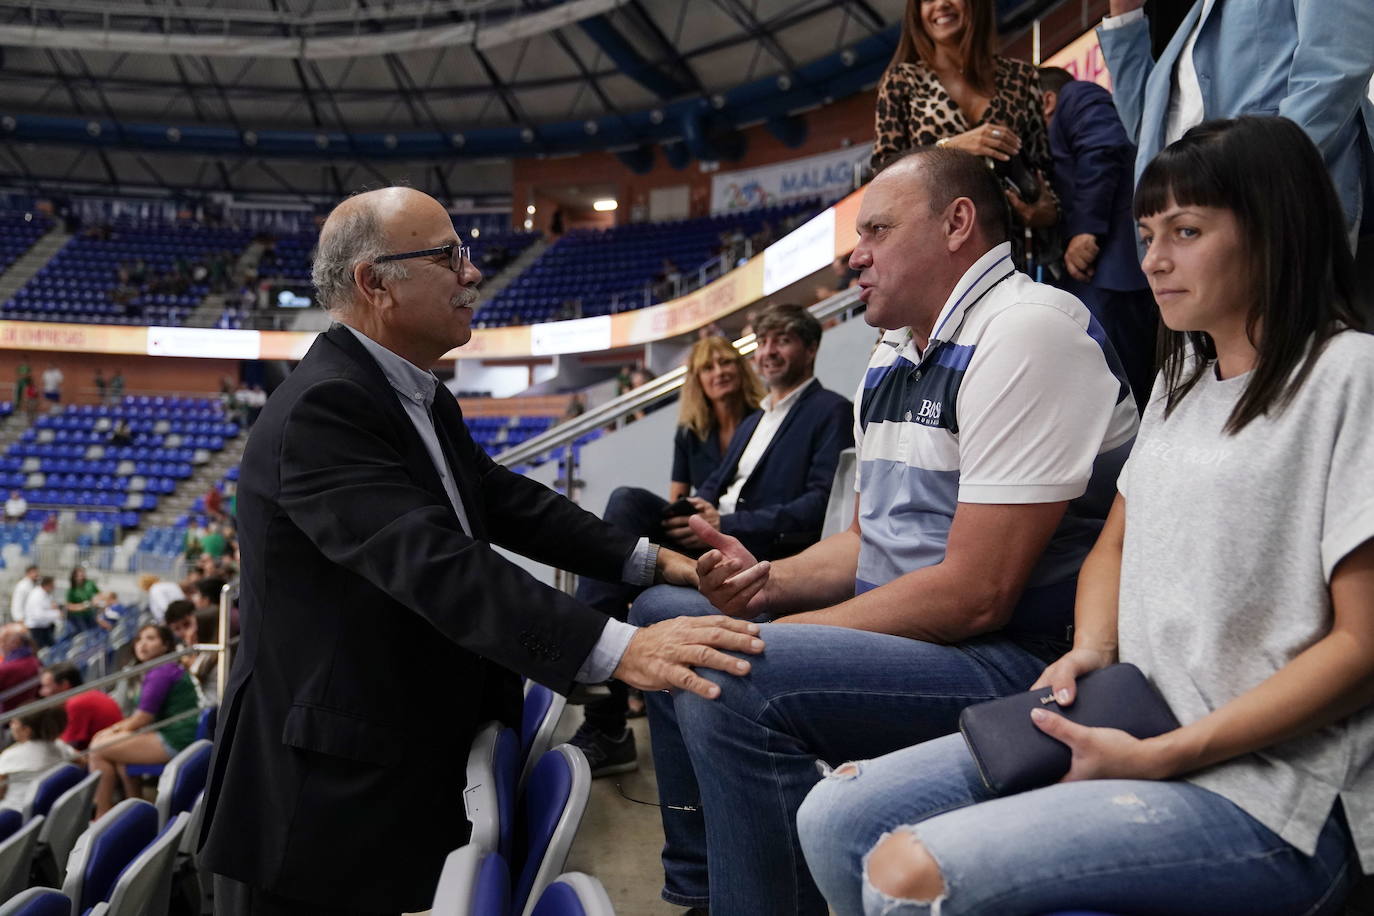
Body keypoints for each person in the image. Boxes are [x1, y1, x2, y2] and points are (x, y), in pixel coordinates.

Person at [798, 116, 1374, 916]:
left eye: (1187, 230)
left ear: (1276, 229)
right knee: (836, 816)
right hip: (1130, 715)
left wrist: (1171, 753)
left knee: (908, 874)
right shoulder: (1184, 383)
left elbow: (1362, 643)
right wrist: (1091, 652)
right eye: (1146, 232)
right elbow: (1112, 547)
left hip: (1272, 789)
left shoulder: (1351, 376)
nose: (1154, 259)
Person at [199, 186, 763, 916]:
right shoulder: (323, 407)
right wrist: (620, 648)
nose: (471, 274)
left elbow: (504, 503)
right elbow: (434, 562)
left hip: (380, 761)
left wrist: (654, 562)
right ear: (374, 283)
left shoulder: (416, 392)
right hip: (311, 803)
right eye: (447, 256)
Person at [628, 147, 1138, 914]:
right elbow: (871, 540)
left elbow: (976, 596)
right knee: (661, 624)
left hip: (1015, 658)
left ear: (957, 224)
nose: (852, 255)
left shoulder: (1027, 332)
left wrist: (790, 632)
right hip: (918, 632)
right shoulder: (894, 349)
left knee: (728, 675)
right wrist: (770, 582)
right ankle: (704, 888)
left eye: (875, 229)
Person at [572, 327, 841, 776]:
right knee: (625, 504)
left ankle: (597, 684)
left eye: (727, 362)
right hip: (708, 527)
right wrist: (697, 510)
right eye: (709, 367)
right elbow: (710, 490)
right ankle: (598, 668)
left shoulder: (808, 412)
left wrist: (722, 523)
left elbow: (813, 505)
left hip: (748, 540)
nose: (721, 372)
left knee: (627, 532)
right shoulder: (746, 422)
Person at [1097, 0, 1374, 240]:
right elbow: (1143, 129)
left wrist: (1255, 180)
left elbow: (1334, 68)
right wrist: (1125, 12)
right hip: (1189, 236)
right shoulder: (1193, 25)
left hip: (1270, 214)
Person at [870, 0, 1057, 233]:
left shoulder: (1022, 77)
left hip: (1006, 243)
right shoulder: (901, 81)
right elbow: (883, 171)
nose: (941, 4)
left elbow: (1043, 167)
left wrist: (1046, 211)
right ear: (917, 13)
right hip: (934, 242)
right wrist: (949, 147)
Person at [1039, 66, 1158, 412]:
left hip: (1115, 272)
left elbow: (1102, 148)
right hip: (1092, 282)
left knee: (1138, 398)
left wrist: (1085, 231)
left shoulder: (1078, 95)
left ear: (1046, 100)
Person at [88, 624, 199, 817]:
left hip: (177, 738)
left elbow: (142, 718)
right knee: (116, 751)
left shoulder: (160, 673)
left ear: (165, 646)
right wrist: (114, 731)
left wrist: (110, 732)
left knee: (97, 749)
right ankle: (136, 809)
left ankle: (101, 814)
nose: (142, 644)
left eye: (150, 639)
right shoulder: (162, 668)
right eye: (139, 639)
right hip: (176, 733)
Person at [0, 704, 72, 812]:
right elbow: (82, 761)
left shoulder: (10, 756)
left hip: (12, 816)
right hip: (45, 813)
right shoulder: (60, 746)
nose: (10, 725)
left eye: (14, 722)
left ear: (26, 730)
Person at [39, 661, 122, 753]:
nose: (42, 692)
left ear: (64, 685)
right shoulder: (88, 695)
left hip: (110, 753)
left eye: (46, 686)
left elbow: (69, 748)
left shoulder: (76, 704)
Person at [0, 624, 40, 712]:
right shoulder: (35, 660)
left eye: (3, 640)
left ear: (16, 642)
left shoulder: (7, 669)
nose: (1, 645)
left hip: (10, 716)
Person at [23, 577, 61, 648]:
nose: (54, 587)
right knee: (39, 650)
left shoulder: (46, 594)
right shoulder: (37, 595)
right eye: (53, 585)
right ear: (47, 585)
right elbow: (38, 615)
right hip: (36, 628)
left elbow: (48, 607)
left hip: (45, 627)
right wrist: (56, 614)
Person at [64, 566, 99, 634]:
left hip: (89, 614)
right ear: (74, 577)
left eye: (83, 575)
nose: (81, 578)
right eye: (79, 576)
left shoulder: (90, 584)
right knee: (84, 633)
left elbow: (99, 594)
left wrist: (96, 601)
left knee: (94, 632)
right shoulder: (71, 591)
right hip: (77, 616)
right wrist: (83, 606)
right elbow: (69, 606)